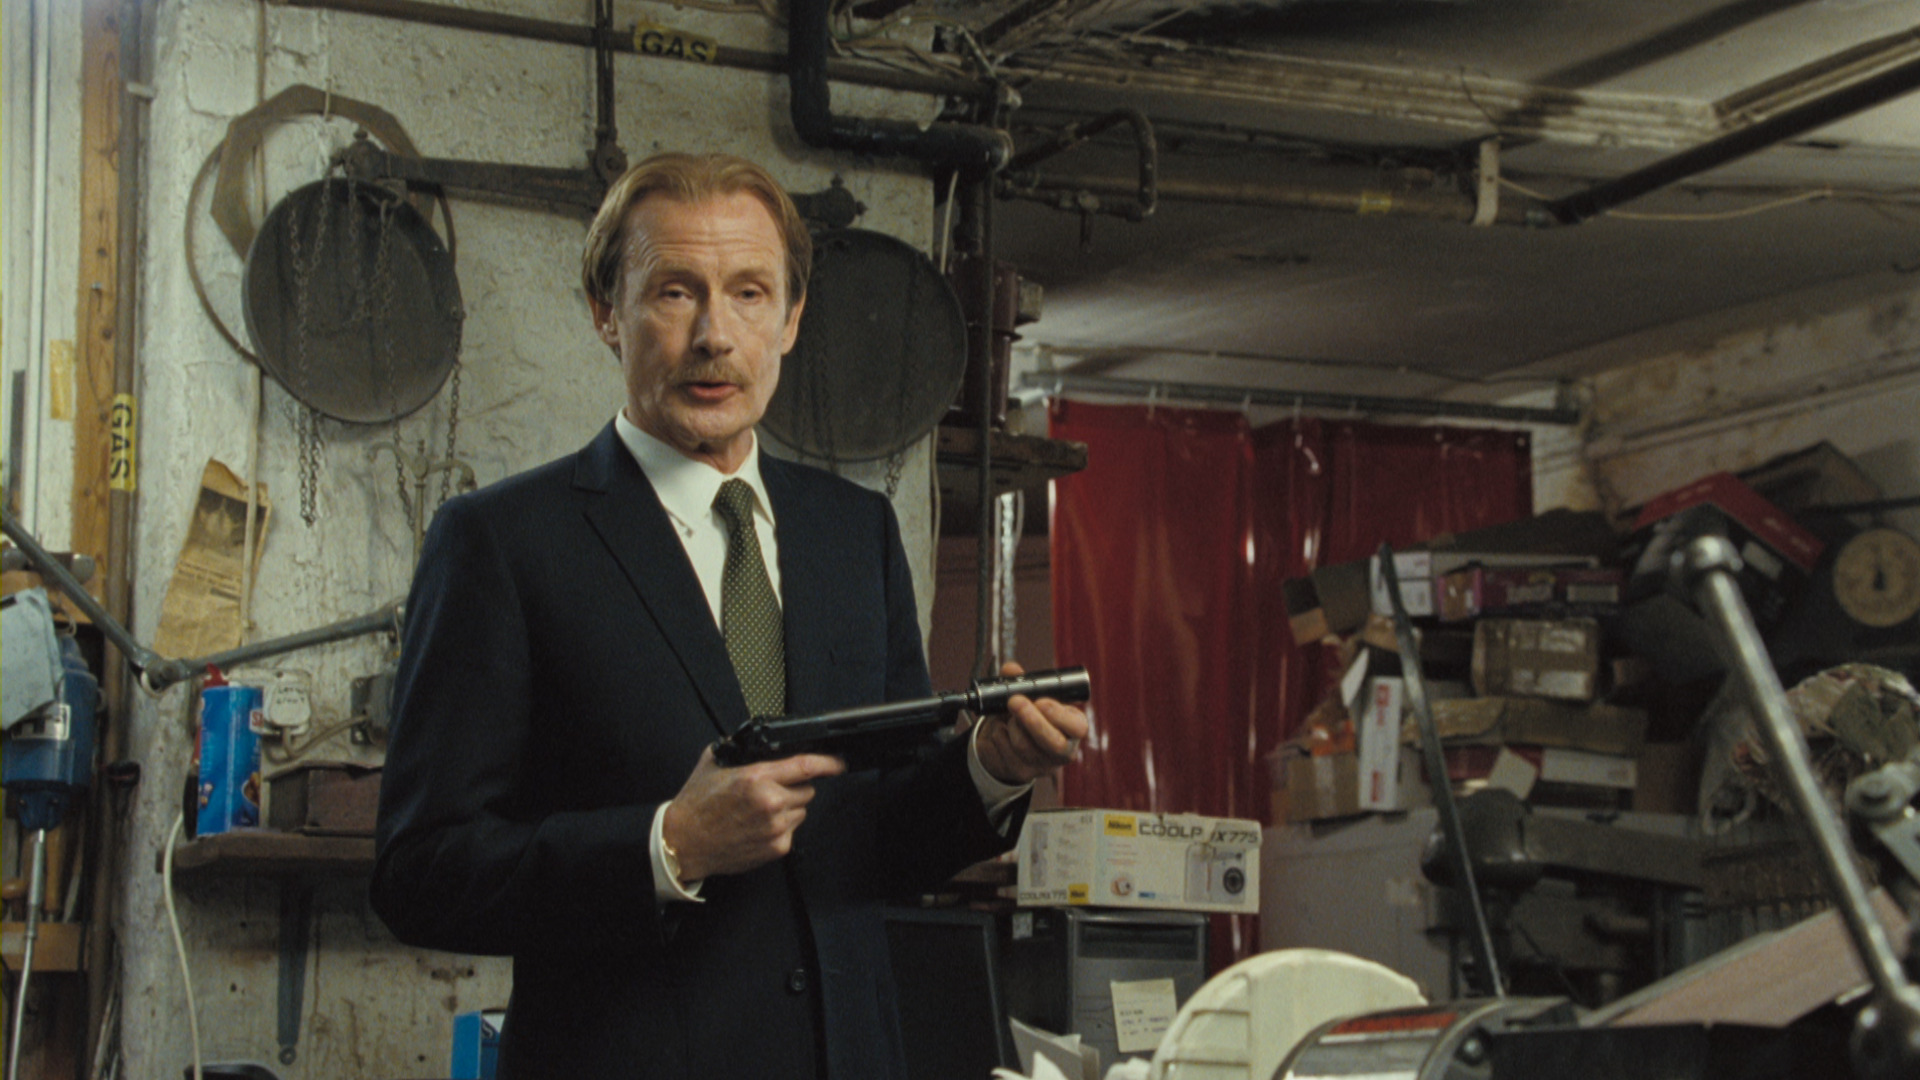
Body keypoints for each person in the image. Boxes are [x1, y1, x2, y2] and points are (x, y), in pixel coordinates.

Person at [370, 151, 1089, 1080]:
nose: (715, 335)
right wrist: (670, 844)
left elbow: (882, 837)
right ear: (605, 311)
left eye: (750, 293)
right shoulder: (502, 543)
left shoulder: (854, 533)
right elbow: (422, 874)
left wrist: (989, 768)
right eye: (675, 292)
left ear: (789, 318)